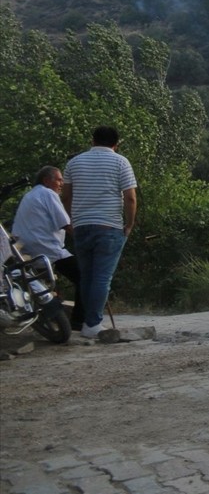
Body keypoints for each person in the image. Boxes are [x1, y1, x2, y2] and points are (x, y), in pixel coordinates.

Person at [60, 126, 138, 340]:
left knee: (87, 277)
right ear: (116, 144)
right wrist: (129, 225)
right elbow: (130, 198)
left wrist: (70, 221)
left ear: (92, 141)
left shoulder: (74, 163)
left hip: (81, 227)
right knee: (102, 278)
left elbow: (65, 197)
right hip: (109, 226)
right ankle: (93, 324)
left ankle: (88, 321)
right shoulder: (121, 162)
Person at [11, 166, 84, 330]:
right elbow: (65, 223)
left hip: (24, 250)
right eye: (58, 179)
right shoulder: (48, 194)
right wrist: (84, 241)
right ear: (46, 180)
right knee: (84, 275)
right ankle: (79, 321)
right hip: (45, 248)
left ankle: (52, 314)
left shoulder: (29, 195)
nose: (61, 183)